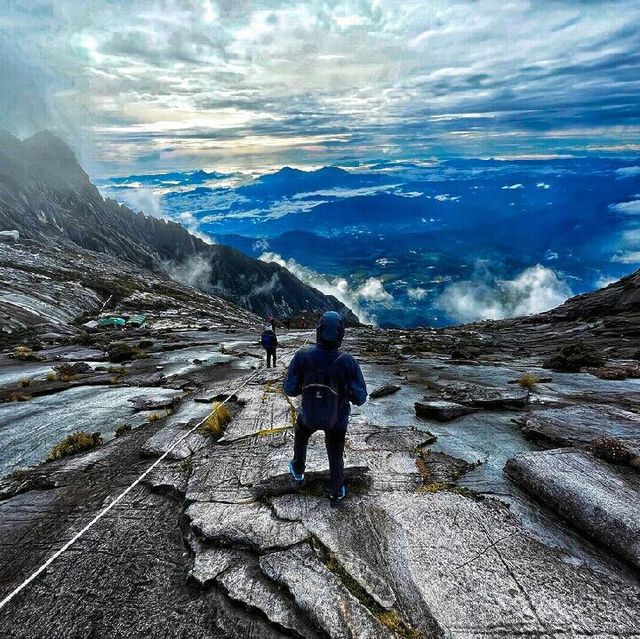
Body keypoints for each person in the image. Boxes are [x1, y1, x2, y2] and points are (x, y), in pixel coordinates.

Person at [283, 311, 367, 506]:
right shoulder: (347, 361)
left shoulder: (302, 356)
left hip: (309, 415)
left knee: (301, 433)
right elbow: (360, 398)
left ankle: (298, 469)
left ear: (318, 330)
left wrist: (301, 387)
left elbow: (289, 389)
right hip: (337, 419)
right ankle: (336, 491)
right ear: (340, 335)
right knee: (335, 452)